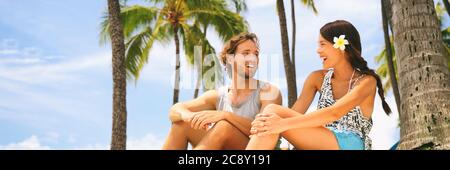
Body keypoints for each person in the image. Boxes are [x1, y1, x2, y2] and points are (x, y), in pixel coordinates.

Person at [246, 20, 391, 150]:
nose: (318, 50)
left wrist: (280, 124)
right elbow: (294, 113)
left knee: (272, 113)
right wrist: (268, 124)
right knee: (270, 114)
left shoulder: (366, 82)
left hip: (350, 143)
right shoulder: (317, 78)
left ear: (340, 47)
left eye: (322, 44)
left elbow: (334, 112)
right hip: (321, 137)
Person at [162, 32, 282, 150]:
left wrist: (225, 116)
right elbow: (174, 110)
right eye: (246, 53)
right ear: (230, 59)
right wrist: (189, 116)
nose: (253, 58)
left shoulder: (268, 92)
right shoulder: (218, 96)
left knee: (224, 126)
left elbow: (263, 129)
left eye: (256, 54)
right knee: (181, 125)